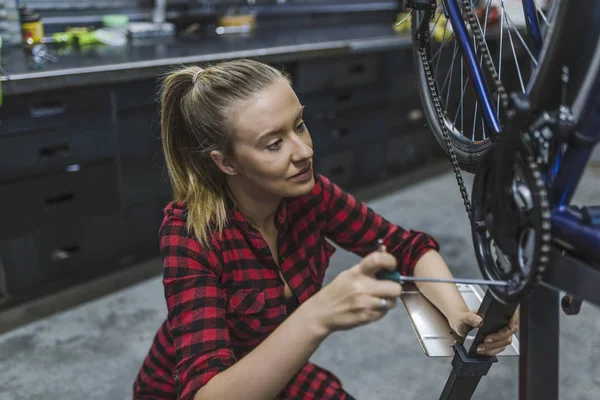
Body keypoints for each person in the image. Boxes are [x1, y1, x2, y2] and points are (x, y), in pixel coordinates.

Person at [132, 59, 518, 400]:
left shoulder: (307, 195)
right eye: (273, 144)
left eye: (299, 125)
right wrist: (318, 315)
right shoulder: (190, 235)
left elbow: (408, 247)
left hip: (275, 367)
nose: (303, 151)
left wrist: (460, 316)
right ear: (226, 162)